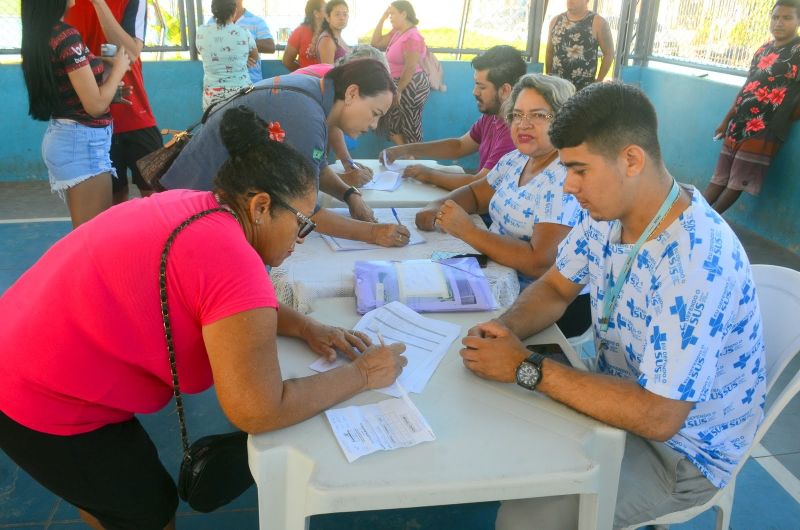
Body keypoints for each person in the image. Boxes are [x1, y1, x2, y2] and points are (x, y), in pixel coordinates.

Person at [0, 106, 407, 530]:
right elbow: (258, 410)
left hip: (24, 342)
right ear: (262, 207)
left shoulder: (196, 205)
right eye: (303, 225)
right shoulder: (232, 261)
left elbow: (217, 298)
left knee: (113, 498)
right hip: (39, 392)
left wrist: (306, 325)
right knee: (146, 512)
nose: (300, 242)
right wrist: (361, 375)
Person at [460, 82, 766, 529]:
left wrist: (525, 367)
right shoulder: (609, 215)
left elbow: (659, 416)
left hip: (679, 452)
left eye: (579, 170)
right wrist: (502, 333)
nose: (568, 186)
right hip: (616, 393)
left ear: (631, 160)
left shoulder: (696, 263)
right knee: (495, 438)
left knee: (525, 521)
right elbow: (555, 288)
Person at [161, 59, 411, 247]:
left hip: (198, 197)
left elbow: (316, 167)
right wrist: (374, 233)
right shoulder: (305, 114)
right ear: (352, 93)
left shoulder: (314, 94)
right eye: (375, 114)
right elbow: (302, 210)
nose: (374, 126)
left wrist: (349, 195)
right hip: (190, 210)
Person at [415, 74, 590, 338]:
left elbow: (538, 262)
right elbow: (476, 194)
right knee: (418, 282)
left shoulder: (564, 176)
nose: (524, 124)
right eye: (517, 115)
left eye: (539, 115)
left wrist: (469, 232)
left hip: (542, 303)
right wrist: (437, 206)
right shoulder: (516, 159)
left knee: (443, 329)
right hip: (498, 275)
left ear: (565, 121)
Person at [21, 0, 131, 228]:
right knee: (92, 238)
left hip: (71, 137)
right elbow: (95, 105)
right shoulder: (65, 35)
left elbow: (71, 90)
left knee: (88, 236)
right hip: (81, 143)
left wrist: (110, 90)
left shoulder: (43, 33)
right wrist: (119, 67)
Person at [381, 45, 526, 191]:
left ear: (505, 90)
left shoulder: (514, 134)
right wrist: (403, 150)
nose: (474, 92)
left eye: (481, 87)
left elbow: (480, 184)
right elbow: (459, 146)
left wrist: (429, 174)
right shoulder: (492, 116)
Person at [703, 0, 800, 214]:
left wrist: (783, 117)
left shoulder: (797, 51)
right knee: (719, 178)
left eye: (787, 18)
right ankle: (690, 216)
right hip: (739, 123)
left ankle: (708, 222)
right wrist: (727, 120)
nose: (779, 23)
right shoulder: (763, 49)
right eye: (775, 17)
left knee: (737, 182)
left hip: (765, 127)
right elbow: (748, 86)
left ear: (798, 21)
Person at [65, 0, 163, 205]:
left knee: (157, 196)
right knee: (111, 204)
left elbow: (130, 53)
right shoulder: (67, 5)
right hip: (91, 122)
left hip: (135, 115)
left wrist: (99, 3)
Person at [295, 46, 392, 188]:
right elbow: (299, 172)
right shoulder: (323, 83)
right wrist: (341, 179)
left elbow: (334, 125)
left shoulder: (337, 83)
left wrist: (348, 164)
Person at [371, 1, 430, 144]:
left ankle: (413, 161)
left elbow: (410, 66)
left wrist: (399, 90)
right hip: (398, 85)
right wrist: (382, 18)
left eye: (392, 14)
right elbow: (376, 43)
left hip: (411, 85)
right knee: (392, 124)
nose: (390, 17)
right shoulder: (397, 33)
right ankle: (407, 157)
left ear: (403, 14)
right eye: (389, 14)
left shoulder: (413, 37)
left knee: (410, 126)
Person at [196, 0, 259, 110]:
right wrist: (244, 59)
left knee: (215, 126)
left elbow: (200, 50)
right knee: (243, 125)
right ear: (234, 11)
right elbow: (255, 56)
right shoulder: (243, 32)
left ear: (213, 11)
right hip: (241, 93)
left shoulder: (201, 32)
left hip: (212, 96)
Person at [546, 0, 614, 91]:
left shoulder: (598, 22)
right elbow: (549, 52)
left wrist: (598, 81)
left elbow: (609, 54)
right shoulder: (555, 21)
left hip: (584, 91)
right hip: (557, 89)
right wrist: (548, 77)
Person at [210, 0, 276, 84]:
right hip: (222, 82)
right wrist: (240, 54)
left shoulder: (256, 21)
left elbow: (270, 47)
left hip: (252, 81)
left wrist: (231, 45)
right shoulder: (212, 22)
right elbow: (203, 47)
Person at [283, 0, 325, 72]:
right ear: (316, 13)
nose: (330, 11)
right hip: (306, 80)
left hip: (327, 78)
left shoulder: (330, 31)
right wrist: (303, 72)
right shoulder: (300, 31)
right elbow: (287, 61)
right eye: (326, 9)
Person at [313, 0, 350, 65]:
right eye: (337, 14)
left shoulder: (337, 36)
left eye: (345, 14)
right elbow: (328, 72)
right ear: (328, 18)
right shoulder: (327, 40)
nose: (342, 18)